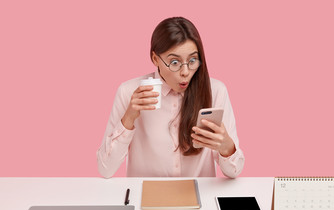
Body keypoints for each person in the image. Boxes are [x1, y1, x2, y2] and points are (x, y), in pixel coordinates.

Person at [97, 17, 244, 178]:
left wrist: (226, 147)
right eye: (175, 62)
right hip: (147, 197)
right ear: (155, 59)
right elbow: (106, 169)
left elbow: (234, 172)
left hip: (199, 198)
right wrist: (129, 117)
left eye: (193, 60)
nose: (185, 72)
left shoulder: (215, 91)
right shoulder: (129, 92)